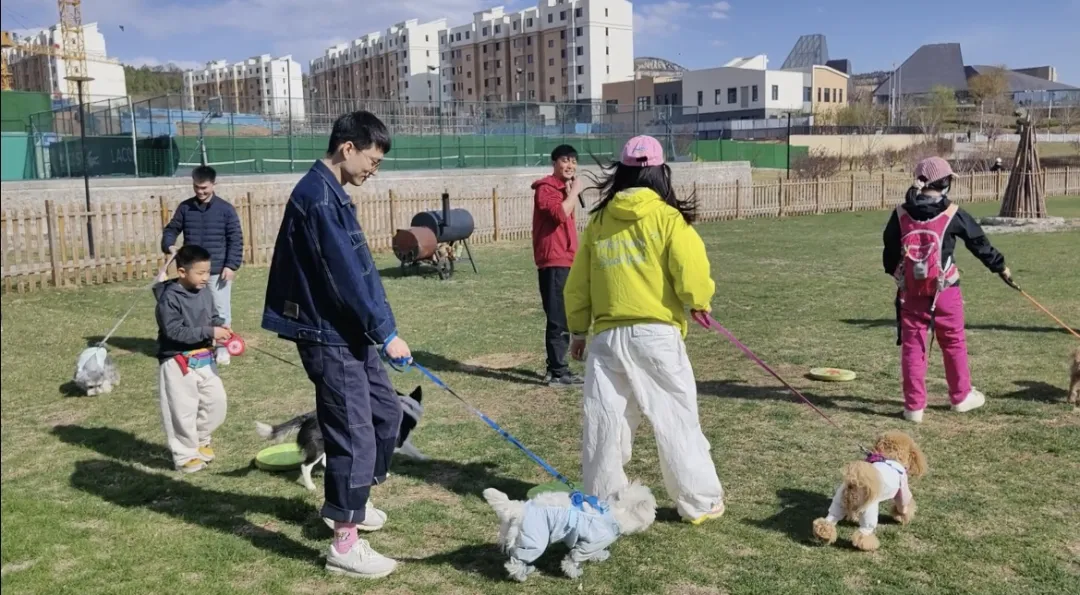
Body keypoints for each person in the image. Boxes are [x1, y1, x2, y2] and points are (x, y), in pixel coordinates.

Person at [262, 111, 409, 579]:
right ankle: (344, 544)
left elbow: (362, 271)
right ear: (348, 148)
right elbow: (345, 277)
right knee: (353, 433)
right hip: (328, 335)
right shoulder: (318, 199)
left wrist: (383, 328)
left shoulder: (332, 193)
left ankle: (352, 503)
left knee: (386, 413)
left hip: (350, 331)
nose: (374, 170)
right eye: (372, 160)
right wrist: (385, 333)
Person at [564, 135, 726, 526]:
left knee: (606, 422)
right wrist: (699, 301)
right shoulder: (668, 219)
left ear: (622, 172)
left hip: (607, 339)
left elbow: (578, 283)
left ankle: (603, 500)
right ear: (659, 173)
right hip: (656, 336)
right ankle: (699, 501)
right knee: (676, 416)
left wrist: (578, 331)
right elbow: (690, 270)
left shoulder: (599, 222)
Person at [883, 156, 1011, 423]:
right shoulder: (953, 212)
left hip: (911, 292)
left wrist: (900, 277)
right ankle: (960, 396)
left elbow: (889, 252)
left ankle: (914, 407)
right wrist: (1000, 267)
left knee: (913, 346)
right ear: (945, 182)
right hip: (946, 290)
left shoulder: (900, 213)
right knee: (953, 341)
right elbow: (979, 243)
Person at [153, 244, 232, 473]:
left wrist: (220, 326)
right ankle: (185, 455)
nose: (206, 277)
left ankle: (201, 440)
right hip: (176, 360)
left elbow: (213, 316)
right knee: (182, 410)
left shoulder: (204, 291)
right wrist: (209, 332)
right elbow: (174, 332)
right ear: (182, 272)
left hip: (204, 357)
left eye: (208, 272)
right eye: (200, 273)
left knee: (217, 402)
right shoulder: (169, 298)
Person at [161, 165, 244, 365]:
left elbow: (236, 239)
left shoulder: (226, 210)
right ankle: (197, 345)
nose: (200, 192)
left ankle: (222, 347)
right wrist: (169, 245)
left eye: (204, 188)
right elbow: (171, 229)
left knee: (220, 310)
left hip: (217, 271)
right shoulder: (185, 208)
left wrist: (231, 265)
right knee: (193, 310)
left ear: (214, 184)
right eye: (196, 187)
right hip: (191, 271)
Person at [531, 144, 585, 386]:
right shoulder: (546, 189)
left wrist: (570, 192)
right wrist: (574, 192)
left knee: (564, 314)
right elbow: (559, 214)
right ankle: (557, 371)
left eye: (573, 161)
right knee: (557, 317)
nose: (570, 165)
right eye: (565, 160)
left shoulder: (564, 190)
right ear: (554, 163)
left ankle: (558, 368)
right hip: (554, 261)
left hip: (567, 259)